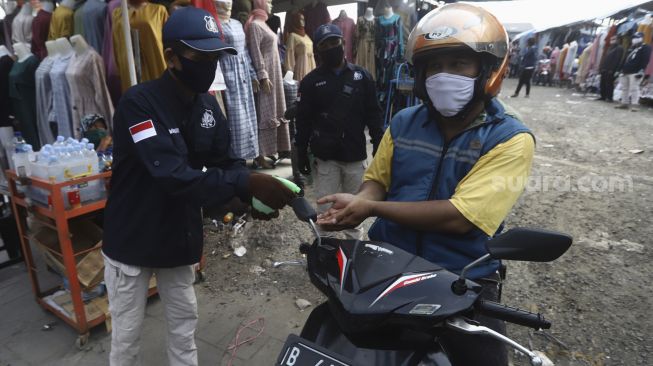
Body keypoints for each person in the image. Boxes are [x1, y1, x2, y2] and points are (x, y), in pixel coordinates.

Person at [316, 4, 534, 365]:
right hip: (391, 267)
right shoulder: (403, 122)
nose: (443, 75)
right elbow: (376, 181)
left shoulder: (510, 138)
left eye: (459, 64)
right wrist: (358, 205)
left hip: (463, 278)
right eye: (434, 65)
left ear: (489, 69)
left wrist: (371, 208)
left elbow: (459, 217)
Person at [101, 7, 295, 366]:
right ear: (171, 57)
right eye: (200, 56)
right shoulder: (138, 105)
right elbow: (171, 174)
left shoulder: (207, 106)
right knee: (126, 338)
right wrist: (244, 182)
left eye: (216, 56)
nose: (210, 65)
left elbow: (226, 161)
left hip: (178, 236)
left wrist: (246, 197)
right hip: (132, 239)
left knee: (184, 327)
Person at [295, 23, 383, 240]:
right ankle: (325, 253)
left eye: (335, 42)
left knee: (354, 209)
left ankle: (354, 252)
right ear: (317, 50)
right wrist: (300, 152)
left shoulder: (362, 76)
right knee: (326, 211)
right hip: (325, 158)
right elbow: (303, 121)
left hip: (355, 154)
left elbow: (374, 114)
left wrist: (379, 144)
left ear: (343, 43)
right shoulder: (310, 82)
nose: (331, 47)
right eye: (325, 44)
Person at [615, 32, 651, 111]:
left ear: (641, 38)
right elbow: (625, 59)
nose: (634, 39)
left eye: (636, 37)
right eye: (633, 37)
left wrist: (641, 71)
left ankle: (635, 105)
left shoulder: (646, 47)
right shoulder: (632, 48)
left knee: (634, 88)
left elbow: (645, 60)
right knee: (625, 88)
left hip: (635, 72)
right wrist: (619, 69)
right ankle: (624, 103)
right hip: (625, 71)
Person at [598, 35, 624, 102]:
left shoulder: (619, 48)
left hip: (611, 69)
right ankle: (603, 96)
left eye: (614, 39)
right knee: (602, 83)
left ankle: (609, 97)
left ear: (618, 40)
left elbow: (617, 60)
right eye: (611, 39)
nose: (612, 40)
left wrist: (613, 69)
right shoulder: (610, 48)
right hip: (605, 68)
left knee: (609, 84)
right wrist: (602, 67)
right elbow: (606, 58)